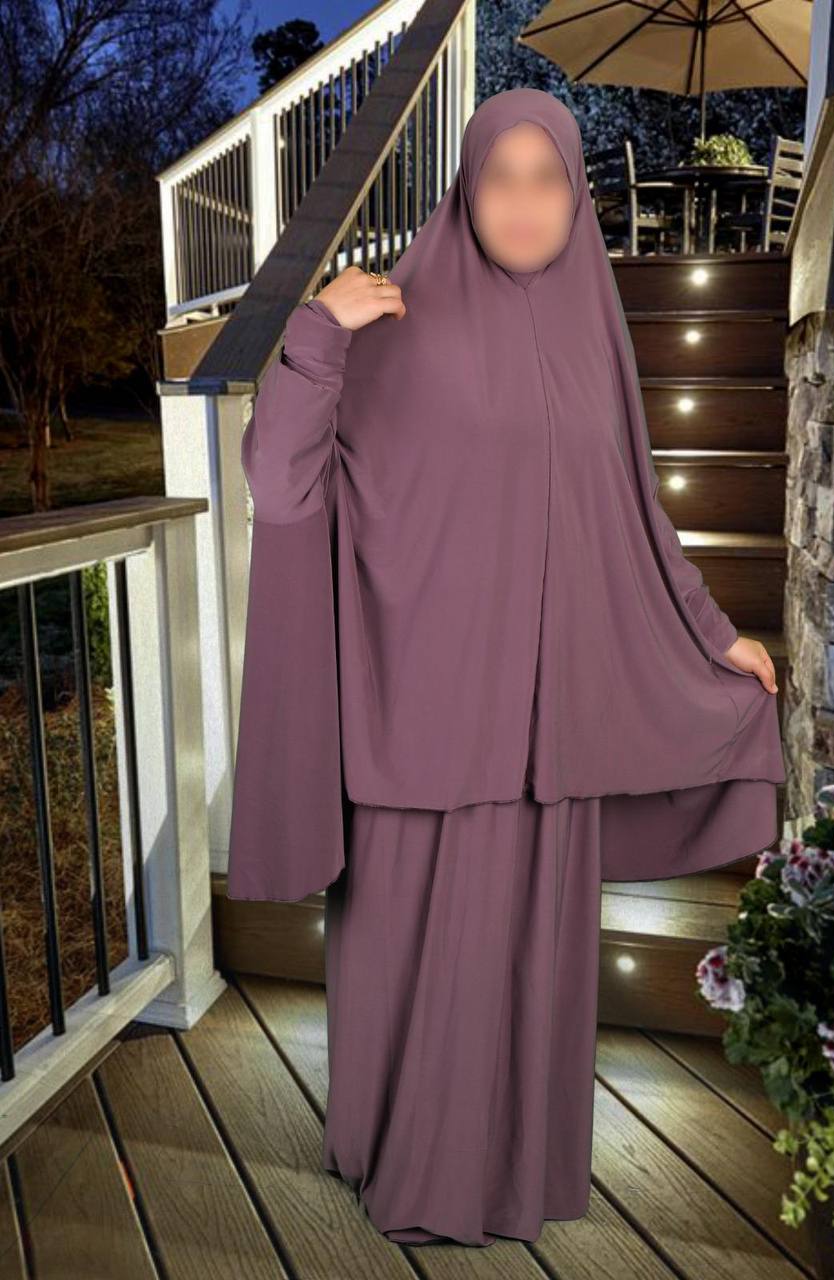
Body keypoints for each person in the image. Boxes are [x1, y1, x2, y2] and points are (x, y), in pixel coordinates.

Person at [226, 87, 786, 1246]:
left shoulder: (593, 333)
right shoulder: (393, 319)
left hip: (548, 726)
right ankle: (407, 1166)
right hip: (421, 718)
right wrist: (317, 333)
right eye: (501, 177)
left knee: (525, 961)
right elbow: (280, 484)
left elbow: (633, 511)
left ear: (577, 196)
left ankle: (512, 1171)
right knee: (415, 958)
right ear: (464, 190)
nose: (525, 203)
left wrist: (709, 631)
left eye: (549, 179)